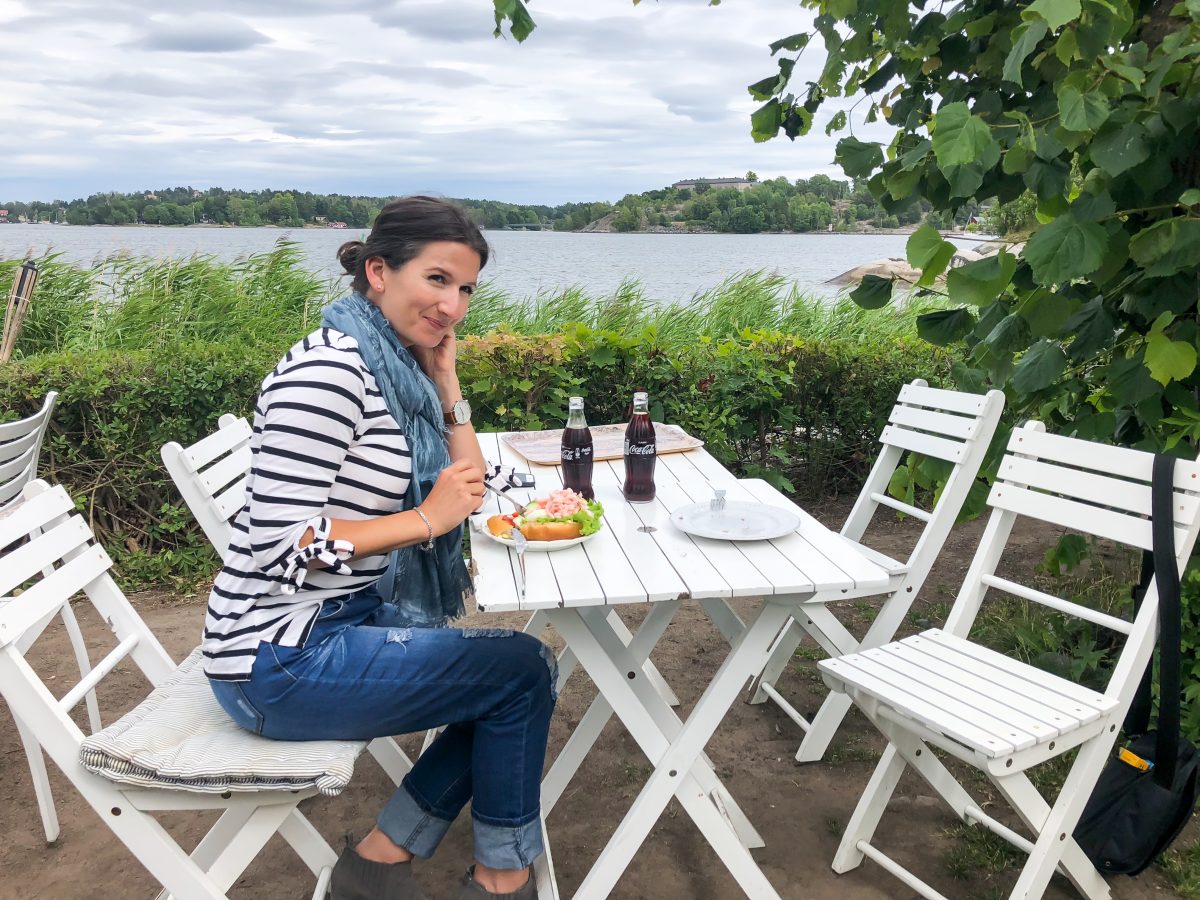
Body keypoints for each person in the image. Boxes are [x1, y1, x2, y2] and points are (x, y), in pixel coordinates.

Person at [204, 196, 556, 900]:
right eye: (436, 279)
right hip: (276, 660)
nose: (452, 305)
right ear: (377, 271)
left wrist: (448, 383)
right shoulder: (329, 374)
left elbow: (465, 483)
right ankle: (499, 878)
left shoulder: (391, 368)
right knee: (520, 672)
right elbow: (282, 546)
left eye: (465, 290)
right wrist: (426, 520)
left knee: (512, 676)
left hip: (336, 623)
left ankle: (382, 857)